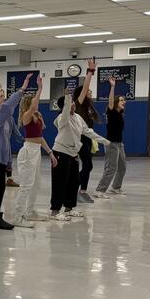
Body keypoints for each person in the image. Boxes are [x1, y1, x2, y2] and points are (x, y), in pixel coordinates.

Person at [50, 61, 108, 221]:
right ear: (65, 106)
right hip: (60, 152)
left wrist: (106, 141)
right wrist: (68, 97)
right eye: (71, 103)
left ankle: (69, 208)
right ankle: (55, 211)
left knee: (73, 181)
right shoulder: (62, 118)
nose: (74, 104)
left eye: (73, 103)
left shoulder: (77, 117)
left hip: (73, 153)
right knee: (60, 182)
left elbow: (88, 131)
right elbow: (66, 110)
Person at [14, 78, 57, 228]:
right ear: (29, 104)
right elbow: (33, 106)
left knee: (35, 184)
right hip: (28, 151)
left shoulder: (37, 116)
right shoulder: (26, 116)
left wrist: (50, 152)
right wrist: (40, 88)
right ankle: (18, 217)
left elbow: (40, 137)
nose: (37, 103)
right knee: (26, 185)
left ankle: (29, 211)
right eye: (34, 102)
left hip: (36, 151)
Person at [0, 79, 27, 230]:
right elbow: (8, 106)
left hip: (2, 158)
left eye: (4, 95)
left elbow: (13, 135)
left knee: (0, 190)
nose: (3, 98)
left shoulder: (7, 117)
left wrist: (27, 141)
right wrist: (21, 90)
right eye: (0, 96)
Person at [73, 67, 102, 204]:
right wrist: (90, 71)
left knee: (88, 165)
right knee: (88, 165)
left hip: (88, 138)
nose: (90, 92)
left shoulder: (89, 107)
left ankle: (81, 191)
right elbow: (85, 88)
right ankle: (76, 189)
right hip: (80, 138)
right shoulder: (79, 105)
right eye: (88, 91)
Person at [95, 77, 127, 197]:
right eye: (121, 100)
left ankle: (115, 187)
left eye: (124, 100)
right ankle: (99, 190)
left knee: (122, 167)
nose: (124, 102)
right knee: (111, 168)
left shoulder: (120, 114)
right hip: (111, 144)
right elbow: (110, 102)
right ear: (116, 102)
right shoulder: (112, 112)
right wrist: (112, 86)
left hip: (119, 144)